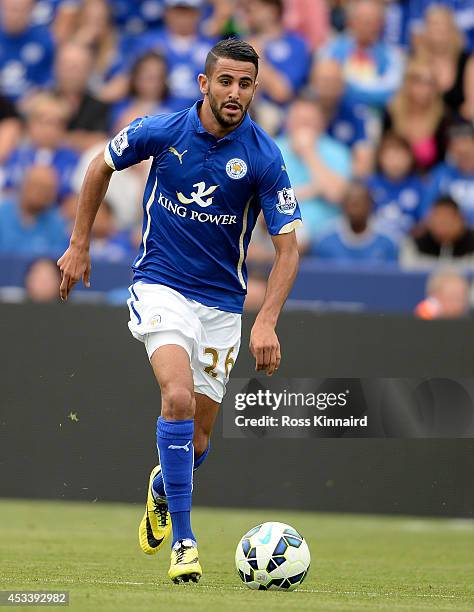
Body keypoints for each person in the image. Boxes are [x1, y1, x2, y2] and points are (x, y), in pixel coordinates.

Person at [57, 38, 302, 584]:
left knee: (197, 441)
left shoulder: (263, 155)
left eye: (245, 84)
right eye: (225, 81)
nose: (234, 92)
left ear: (255, 90)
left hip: (221, 304)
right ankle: (186, 542)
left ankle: (164, 488)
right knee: (176, 396)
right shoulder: (162, 131)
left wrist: (266, 320)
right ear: (204, 84)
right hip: (161, 284)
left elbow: (288, 246)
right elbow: (100, 166)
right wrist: (79, 244)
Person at [276, 96, 351, 238]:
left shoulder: (338, 152)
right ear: (288, 123)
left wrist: (309, 153)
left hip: (325, 233)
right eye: (299, 121)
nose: (304, 126)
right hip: (279, 230)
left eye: (309, 122)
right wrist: (315, 189)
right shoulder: (271, 149)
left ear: (322, 124)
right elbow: (267, 200)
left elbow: (336, 194)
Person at [319, 0, 404, 110]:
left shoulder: (392, 56)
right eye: (361, 20)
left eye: (371, 22)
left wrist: (345, 87)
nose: (366, 26)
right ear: (350, 21)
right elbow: (324, 83)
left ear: (381, 24)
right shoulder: (332, 48)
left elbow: (390, 91)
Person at [1, 92, 79, 204]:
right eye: (42, 122)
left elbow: (68, 194)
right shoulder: (17, 155)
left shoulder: (72, 159)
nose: (48, 129)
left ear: (64, 128)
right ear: (30, 125)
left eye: (55, 123)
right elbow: (8, 188)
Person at [310, 58, 374, 177]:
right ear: (312, 82)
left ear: (343, 85)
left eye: (335, 81)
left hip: (344, 179)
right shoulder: (300, 110)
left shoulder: (356, 112)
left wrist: (334, 179)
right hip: (304, 175)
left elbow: (363, 163)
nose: (329, 86)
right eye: (324, 80)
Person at [383, 59, 449, 172]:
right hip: (394, 180)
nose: (423, 88)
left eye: (429, 83)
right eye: (418, 81)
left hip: (428, 182)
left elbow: (444, 161)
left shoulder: (442, 117)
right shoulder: (391, 112)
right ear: (407, 83)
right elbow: (383, 152)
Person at [312, 181, 399, 263]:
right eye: (351, 204)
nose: (355, 210)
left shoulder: (388, 242)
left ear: (370, 205)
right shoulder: (324, 241)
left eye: (360, 204)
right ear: (343, 205)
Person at [413, 5, 474, 120]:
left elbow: (471, 107)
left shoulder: (468, 62)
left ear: (452, 30)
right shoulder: (414, 61)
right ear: (425, 30)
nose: (438, 30)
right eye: (433, 25)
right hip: (422, 129)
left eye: (443, 25)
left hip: (458, 131)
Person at [366, 131, 424, 238]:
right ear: (380, 158)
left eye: (400, 156)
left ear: (410, 158)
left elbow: (424, 221)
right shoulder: (369, 184)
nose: (395, 162)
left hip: (409, 243)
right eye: (390, 157)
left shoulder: (419, 185)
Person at [54, 42, 110, 152]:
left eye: (76, 67)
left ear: (88, 71)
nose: (70, 73)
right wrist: (79, 139)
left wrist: (60, 138)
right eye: (66, 66)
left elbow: (100, 142)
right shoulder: (43, 100)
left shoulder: (98, 106)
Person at [0, 165, 68, 256]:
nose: (45, 194)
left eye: (50, 189)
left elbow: (59, 257)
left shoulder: (57, 222)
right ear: (25, 185)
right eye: (40, 187)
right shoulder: (3, 214)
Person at [0, 0, 55, 102]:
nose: (13, 15)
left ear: (31, 11)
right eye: (9, 9)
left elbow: (48, 81)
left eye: (18, 10)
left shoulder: (44, 40)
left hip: (30, 105)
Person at [422, 119, 474, 224]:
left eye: (465, 141)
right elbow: (426, 211)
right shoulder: (440, 173)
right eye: (455, 143)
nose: (461, 148)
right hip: (446, 234)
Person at [401, 196, 474, 268]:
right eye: (438, 219)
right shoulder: (414, 245)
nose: (442, 226)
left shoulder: (471, 244)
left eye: (446, 220)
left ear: (460, 220)